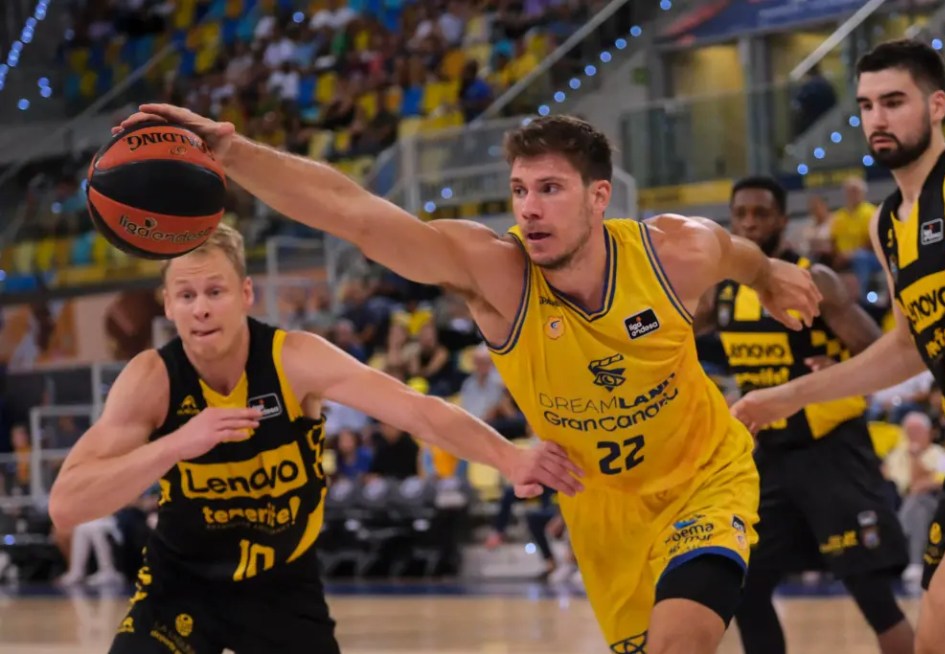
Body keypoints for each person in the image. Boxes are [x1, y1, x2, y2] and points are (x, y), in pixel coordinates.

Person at [113, 106, 821, 654]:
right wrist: (230, 153)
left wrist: (770, 272)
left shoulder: (676, 253)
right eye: (519, 190)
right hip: (600, 504)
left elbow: (736, 253)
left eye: (550, 189)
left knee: (682, 642)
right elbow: (357, 216)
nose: (529, 209)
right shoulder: (496, 276)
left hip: (703, 474)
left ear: (599, 196)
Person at [48, 224, 583, 654]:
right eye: (186, 295)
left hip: (284, 587)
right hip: (181, 582)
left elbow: (419, 412)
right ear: (167, 304)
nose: (202, 307)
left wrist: (510, 458)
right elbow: (67, 504)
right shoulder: (152, 379)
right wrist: (174, 445)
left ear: (245, 294)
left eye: (215, 291)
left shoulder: (293, 359)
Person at [730, 39, 945, 654]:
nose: (878, 118)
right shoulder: (886, 223)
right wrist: (788, 395)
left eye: (894, 101)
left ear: (937, 105)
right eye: (867, 105)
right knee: (940, 640)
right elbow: (904, 348)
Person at [695, 176, 913, 654]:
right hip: (769, 458)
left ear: (781, 219)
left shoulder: (815, 279)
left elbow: (881, 352)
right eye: (741, 214)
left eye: (760, 213)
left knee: (872, 594)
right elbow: (669, 333)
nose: (749, 223)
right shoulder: (722, 294)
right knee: (746, 590)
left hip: (831, 453)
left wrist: (843, 367)